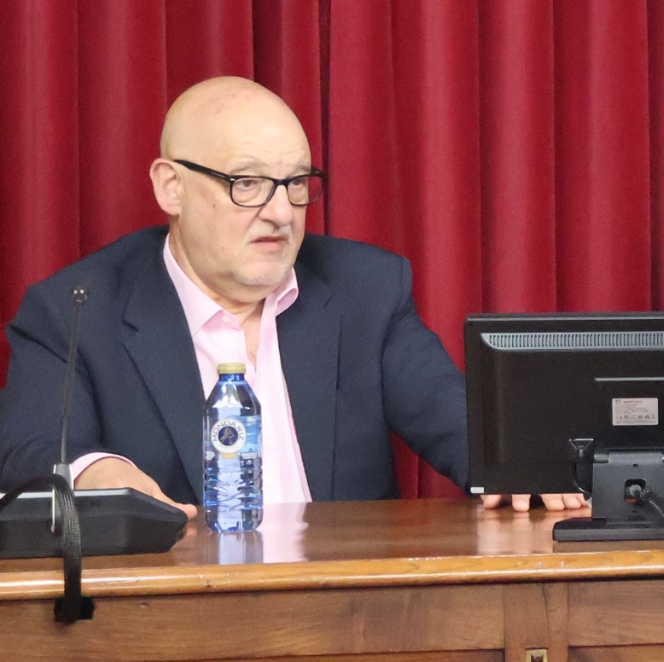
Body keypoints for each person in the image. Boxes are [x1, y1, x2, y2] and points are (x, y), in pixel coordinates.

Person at [0, 78, 569, 512]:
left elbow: (457, 420)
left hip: (352, 612)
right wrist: (92, 473)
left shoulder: (364, 289)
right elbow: (29, 453)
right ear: (172, 187)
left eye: (296, 183)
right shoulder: (76, 310)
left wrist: (516, 464)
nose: (280, 212)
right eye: (246, 183)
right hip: (171, 614)